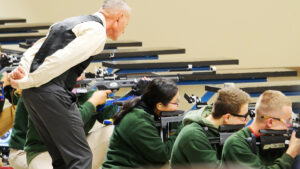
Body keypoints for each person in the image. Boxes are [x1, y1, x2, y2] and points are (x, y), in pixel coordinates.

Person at [7, 0, 131, 168]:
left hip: (34, 94)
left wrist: (22, 72)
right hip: (50, 92)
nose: (125, 30)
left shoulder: (66, 23)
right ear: (119, 16)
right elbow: (59, 60)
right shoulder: (96, 31)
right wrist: (28, 79)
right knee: (80, 157)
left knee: (62, 158)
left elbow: (34, 51)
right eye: (126, 23)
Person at [8, 89, 116, 169]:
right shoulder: (42, 90)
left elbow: (113, 117)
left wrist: (118, 102)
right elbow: (66, 124)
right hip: (30, 153)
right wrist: (92, 103)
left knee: (113, 131)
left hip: (69, 150)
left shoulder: (86, 91)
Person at [102, 78, 183, 168]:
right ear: (159, 105)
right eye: (175, 103)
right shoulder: (138, 121)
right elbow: (162, 155)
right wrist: (182, 126)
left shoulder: (144, 112)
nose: (177, 107)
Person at [170, 87, 251, 169]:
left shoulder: (223, 130)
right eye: (244, 117)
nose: (246, 121)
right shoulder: (194, 135)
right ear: (227, 118)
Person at [222, 90, 300, 169]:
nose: (289, 125)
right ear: (270, 122)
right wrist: (291, 153)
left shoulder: (279, 137)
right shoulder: (236, 144)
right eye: (287, 121)